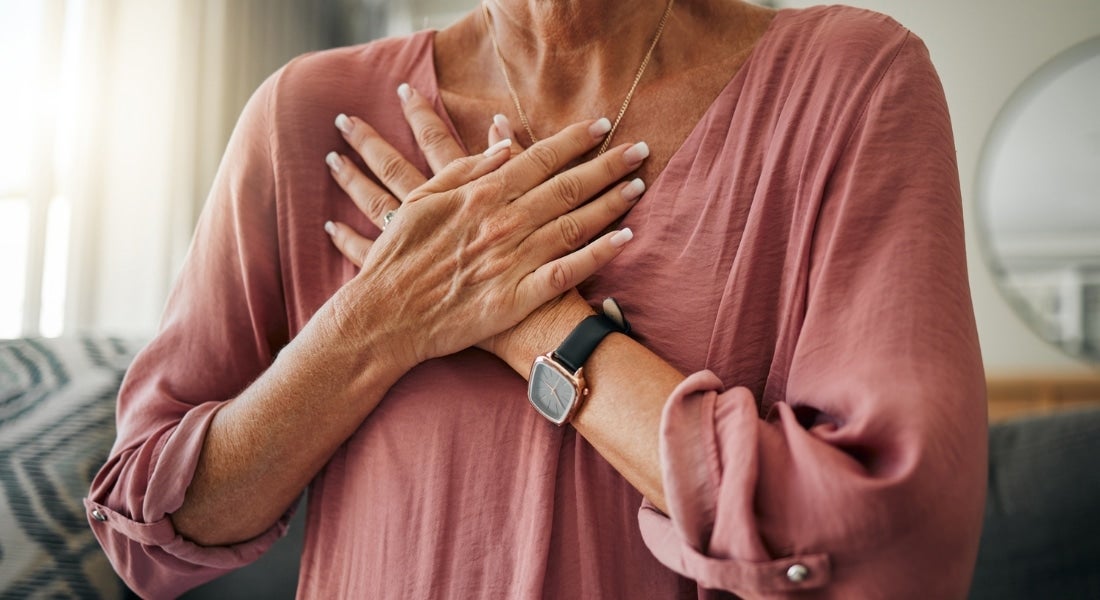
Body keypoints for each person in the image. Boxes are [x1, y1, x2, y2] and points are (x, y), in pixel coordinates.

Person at [86, 0, 988, 597]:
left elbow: (893, 545)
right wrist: (378, 319)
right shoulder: (307, 112)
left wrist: (539, 324)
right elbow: (148, 527)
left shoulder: (852, 84)